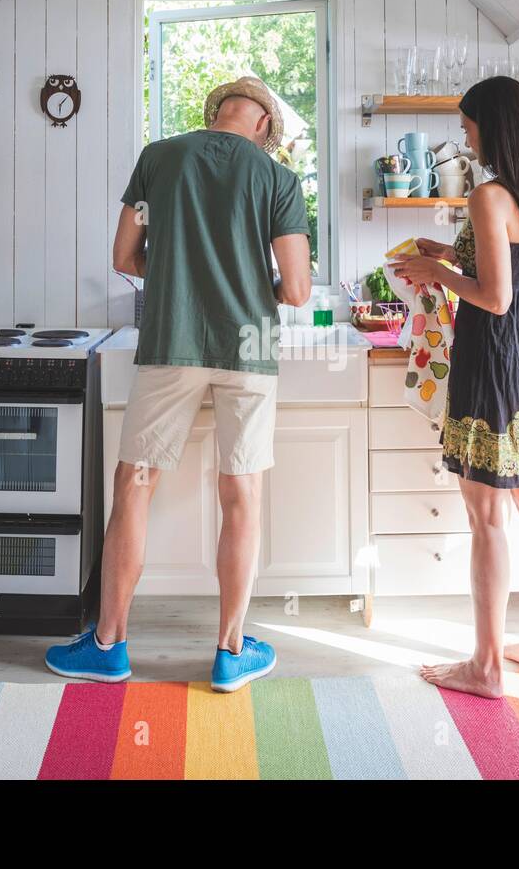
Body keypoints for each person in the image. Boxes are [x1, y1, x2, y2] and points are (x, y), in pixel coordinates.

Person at [45, 76, 312, 693]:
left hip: (172, 341)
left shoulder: (159, 157)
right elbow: (297, 291)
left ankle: (108, 646)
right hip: (248, 349)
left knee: (134, 486)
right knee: (241, 493)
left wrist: (172, 271)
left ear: (216, 112)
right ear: (264, 126)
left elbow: (123, 256)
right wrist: (252, 288)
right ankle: (230, 651)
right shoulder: (277, 179)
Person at [389, 75, 519, 698]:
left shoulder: (489, 195)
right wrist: (454, 251)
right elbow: (517, 269)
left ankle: (488, 667)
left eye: (469, 128)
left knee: (485, 514)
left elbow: (494, 297)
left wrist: (437, 269)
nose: (465, 139)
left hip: (493, 358)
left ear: (493, 127)